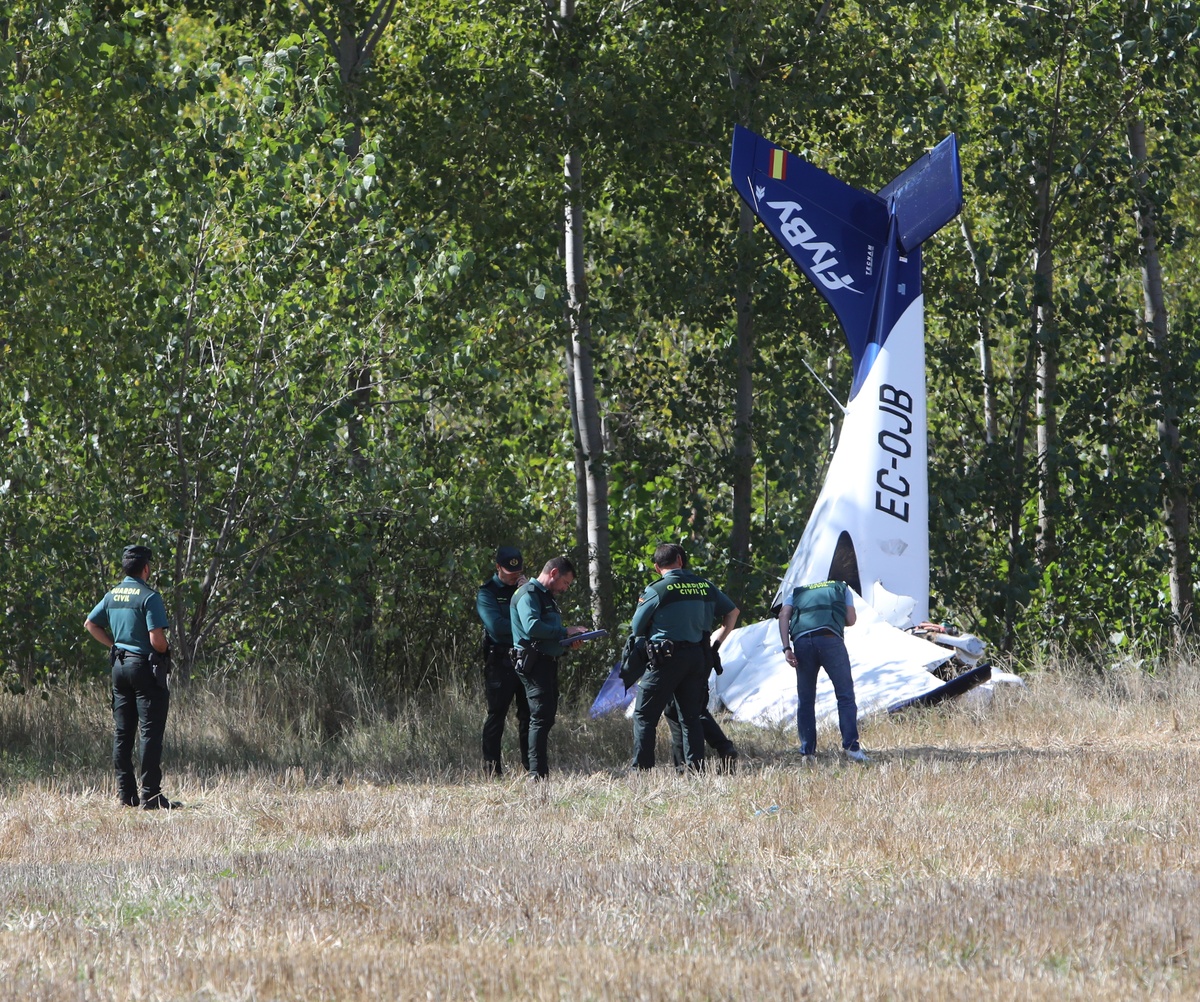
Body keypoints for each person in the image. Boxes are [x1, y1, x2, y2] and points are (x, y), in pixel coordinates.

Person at [84, 544, 180, 809]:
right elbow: (157, 641)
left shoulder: (112, 595)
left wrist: (113, 645)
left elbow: (91, 624)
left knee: (123, 732)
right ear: (146, 568)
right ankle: (151, 796)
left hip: (119, 666)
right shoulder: (149, 597)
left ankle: (126, 795)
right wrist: (165, 650)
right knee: (149, 731)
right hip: (145, 668)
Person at [629, 543, 739, 772]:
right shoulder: (705, 586)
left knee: (644, 715)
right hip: (698, 657)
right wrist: (716, 643)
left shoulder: (657, 590)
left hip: (666, 659)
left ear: (657, 567)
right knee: (691, 716)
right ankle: (694, 769)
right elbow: (733, 612)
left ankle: (641, 770)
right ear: (680, 560)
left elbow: (636, 627)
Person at [510, 556, 586, 780]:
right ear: (553, 573)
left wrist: (570, 642)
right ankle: (537, 774)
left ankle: (538, 770)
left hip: (548, 662)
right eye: (565, 582)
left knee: (546, 716)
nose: (565, 588)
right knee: (540, 717)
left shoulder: (547, 597)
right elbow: (532, 627)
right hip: (534, 664)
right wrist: (566, 631)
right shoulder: (528, 595)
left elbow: (549, 632)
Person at [778, 578, 869, 763]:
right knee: (845, 696)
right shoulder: (841, 587)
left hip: (802, 642)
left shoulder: (796, 592)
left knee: (806, 699)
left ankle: (808, 753)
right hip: (830, 639)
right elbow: (851, 619)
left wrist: (787, 648)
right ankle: (851, 748)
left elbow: (783, 615)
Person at [476, 545, 530, 777]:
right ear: (498, 567)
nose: (514, 576)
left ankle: (532, 768)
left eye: (517, 572)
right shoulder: (487, 592)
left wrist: (528, 593)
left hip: (528, 659)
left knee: (529, 715)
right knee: (496, 715)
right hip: (500, 662)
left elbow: (540, 619)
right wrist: (525, 625)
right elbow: (497, 628)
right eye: (509, 572)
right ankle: (492, 770)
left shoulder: (527, 589)